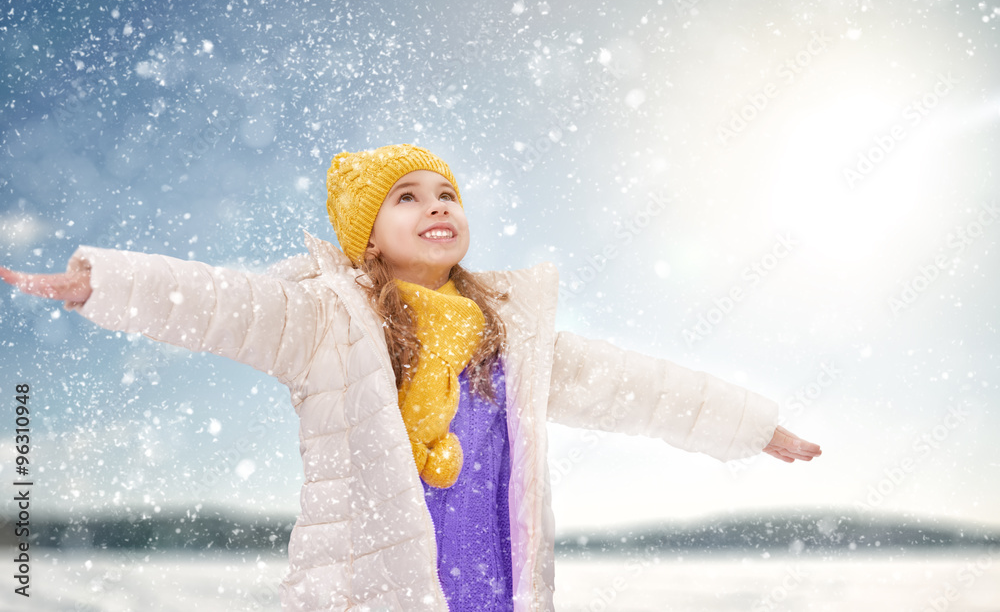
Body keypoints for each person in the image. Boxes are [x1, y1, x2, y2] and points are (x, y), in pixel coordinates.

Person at [0, 143, 822, 612]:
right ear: (368, 236)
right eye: (407, 196)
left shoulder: (510, 337)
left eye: (447, 192)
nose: (437, 204)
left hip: (493, 588)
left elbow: (631, 384)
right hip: (372, 587)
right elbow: (227, 303)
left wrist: (753, 425)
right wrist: (104, 283)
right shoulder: (329, 320)